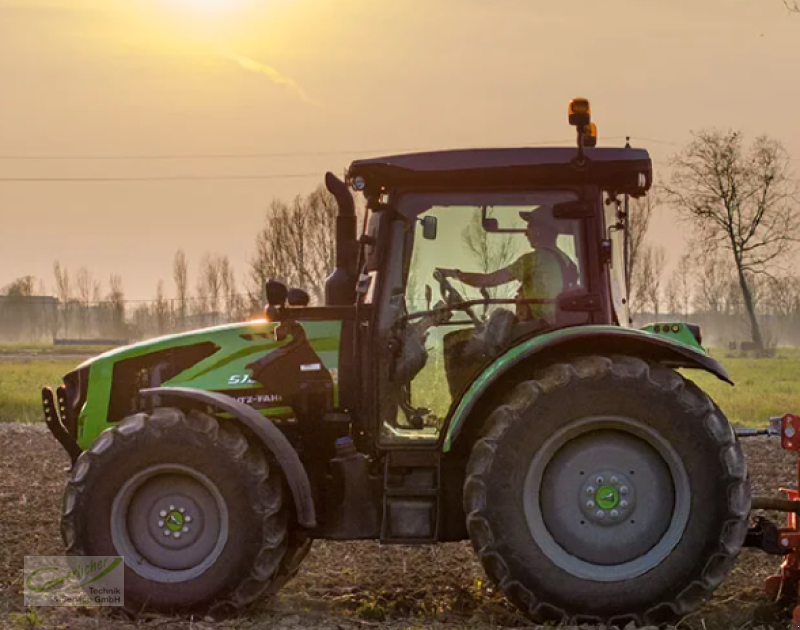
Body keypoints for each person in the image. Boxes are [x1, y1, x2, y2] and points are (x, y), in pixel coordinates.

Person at [439, 206, 578, 322]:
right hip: (556, 324)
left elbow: (488, 280)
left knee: (493, 329)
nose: (526, 233)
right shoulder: (567, 262)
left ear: (541, 230)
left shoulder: (533, 260)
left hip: (540, 325)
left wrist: (454, 274)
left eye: (529, 226)